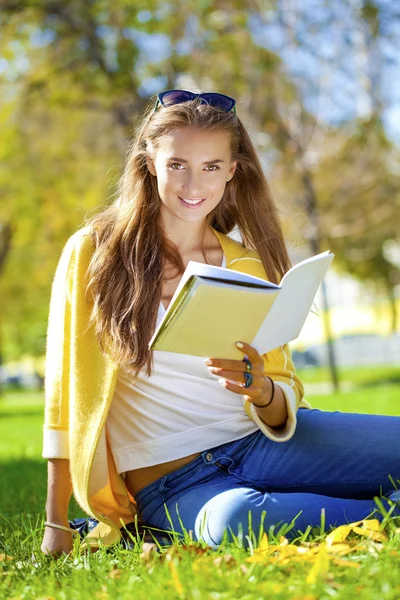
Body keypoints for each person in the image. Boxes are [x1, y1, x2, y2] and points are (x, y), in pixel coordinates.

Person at [40, 90, 400, 558]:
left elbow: (281, 391)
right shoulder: (95, 251)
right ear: (150, 162)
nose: (194, 183)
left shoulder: (246, 264)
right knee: (236, 522)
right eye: (178, 165)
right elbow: (64, 393)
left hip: (262, 443)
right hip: (171, 484)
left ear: (232, 170)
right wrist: (56, 522)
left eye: (211, 166)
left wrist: (261, 390)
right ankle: (377, 512)